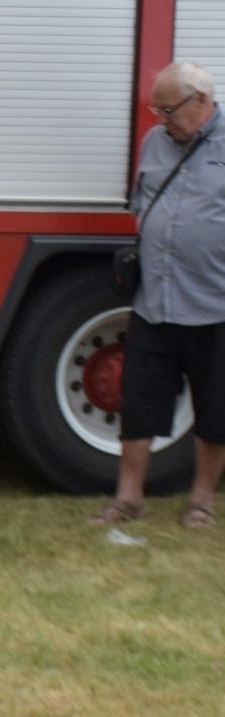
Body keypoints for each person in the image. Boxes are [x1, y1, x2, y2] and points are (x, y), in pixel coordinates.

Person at [90, 61, 225, 532]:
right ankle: (129, 498)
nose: (161, 118)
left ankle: (201, 501)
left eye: (168, 109)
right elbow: (141, 201)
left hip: (215, 305)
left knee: (215, 408)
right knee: (139, 401)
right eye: (157, 108)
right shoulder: (154, 142)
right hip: (156, 300)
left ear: (201, 104)